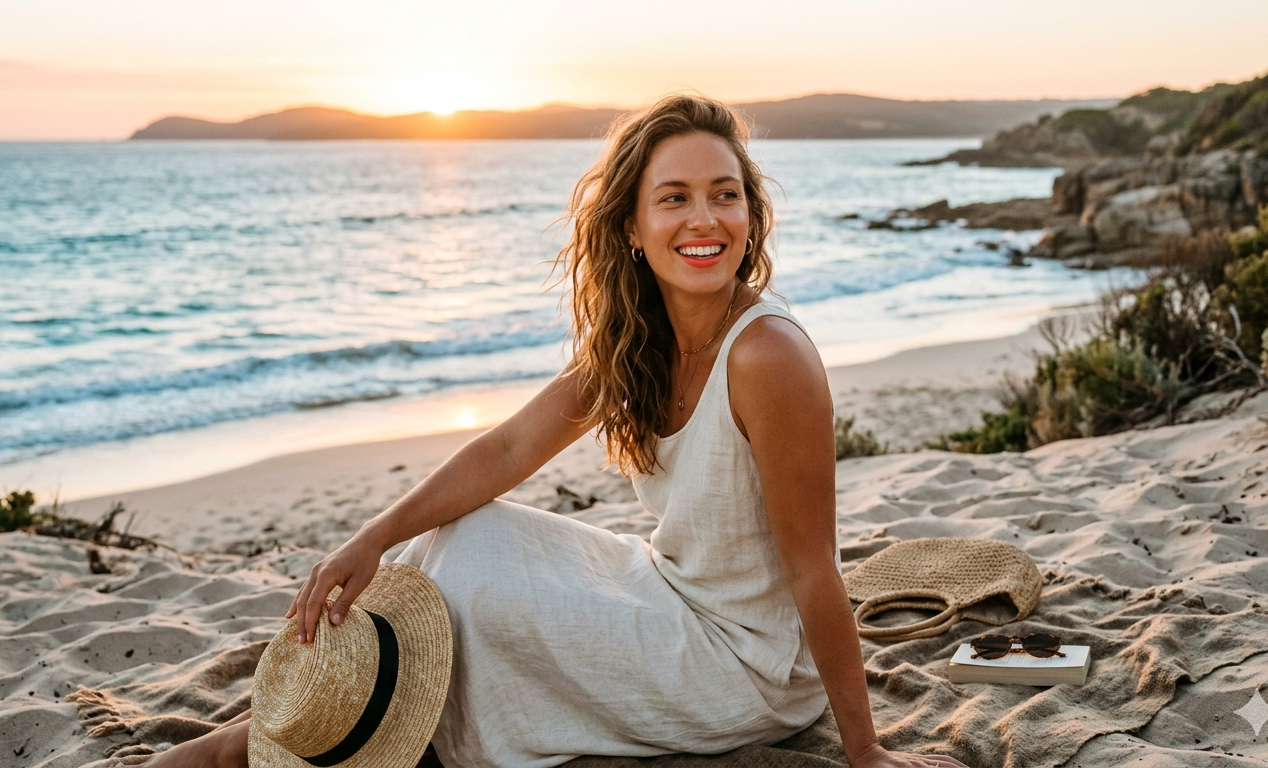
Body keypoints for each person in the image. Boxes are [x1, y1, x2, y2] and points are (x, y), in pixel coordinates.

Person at [127, 95, 968, 768]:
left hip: (743, 666)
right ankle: (286, 727)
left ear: (751, 215)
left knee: (471, 599)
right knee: (461, 538)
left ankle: (256, 746)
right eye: (673, 198)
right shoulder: (642, 340)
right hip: (671, 591)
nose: (704, 219)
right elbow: (506, 450)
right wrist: (370, 539)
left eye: (726, 194)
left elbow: (815, 567)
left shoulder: (768, 357)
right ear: (634, 232)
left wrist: (864, 751)